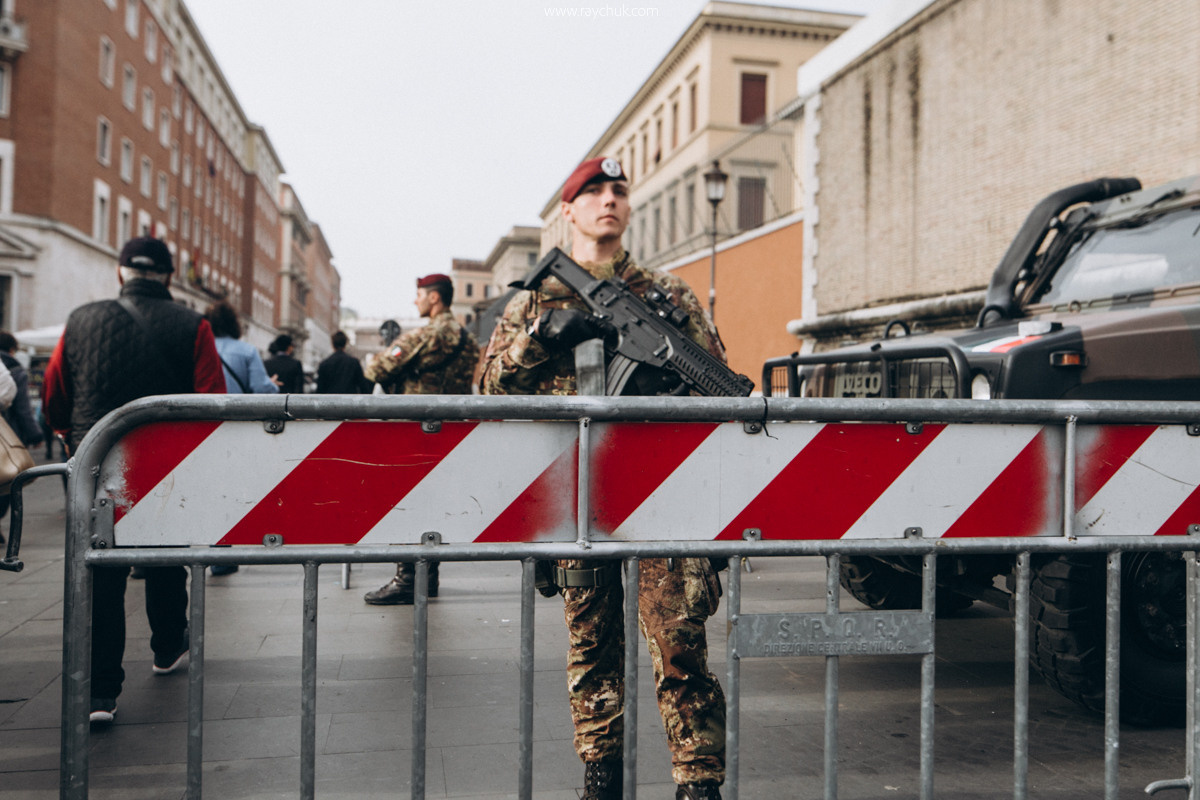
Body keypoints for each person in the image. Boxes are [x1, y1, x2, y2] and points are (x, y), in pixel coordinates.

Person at [480, 157, 727, 800]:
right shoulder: (536, 300)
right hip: (578, 498)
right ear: (569, 210)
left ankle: (698, 783)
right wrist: (542, 337)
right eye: (593, 192)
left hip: (661, 496)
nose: (609, 200)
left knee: (681, 644)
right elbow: (485, 388)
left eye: (619, 190)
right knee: (591, 648)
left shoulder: (669, 298)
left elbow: (719, 388)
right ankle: (601, 776)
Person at [42, 236, 226, 725]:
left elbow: (54, 392)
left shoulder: (81, 319)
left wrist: (69, 435)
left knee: (101, 571)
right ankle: (168, 646)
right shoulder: (194, 325)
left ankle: (100, 691)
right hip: (163, 467)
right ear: (168, 277)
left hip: (95, 461)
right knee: (164, 555)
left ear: (121, 272)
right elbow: (213, 400)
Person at [361, 273, 479, 605]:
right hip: (449, 434)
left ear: (434, 298)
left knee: (407, 506)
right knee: (434, 508)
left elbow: (376, 371)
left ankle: (407, 579)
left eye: (419, 295)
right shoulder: (467, 341)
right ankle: (429, 578)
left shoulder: (426, 334)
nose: (415, 301)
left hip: (413, 433)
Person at [204, 300, 278, 575]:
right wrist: (273, 386)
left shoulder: (200, 348)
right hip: (235, 429)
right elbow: (261, 389)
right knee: (227, 488)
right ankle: (221, 556)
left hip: (200, 428)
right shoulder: (246, 351)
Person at [0, 332, 43, 544]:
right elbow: (22, 407)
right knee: (8, 478)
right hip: (8, 434)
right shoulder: (15, 370)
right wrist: (35, 434)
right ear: (11, 349)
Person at [316, 330, 370, 394]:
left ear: (332, 344)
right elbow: (363, 386)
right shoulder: (354, 363)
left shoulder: (324, 364)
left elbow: (320, 390)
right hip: (350, 401)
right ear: (345, 344)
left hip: (330, 402)